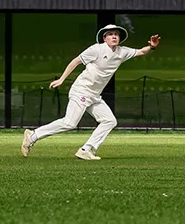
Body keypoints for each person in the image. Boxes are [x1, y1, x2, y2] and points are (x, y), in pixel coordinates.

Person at [22, 24, 161, 161]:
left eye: (116, 34)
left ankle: (86, 150)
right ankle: (33, 136)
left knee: (110, 121)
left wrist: (152, 46)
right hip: (81, 90)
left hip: (94, 95)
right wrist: (62, 79)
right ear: (104, 38)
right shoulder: (96, 49)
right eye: (111, 34)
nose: (114, 36)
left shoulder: (122, 52)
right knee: (70, 123)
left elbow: (141, 51)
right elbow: (76, 61)